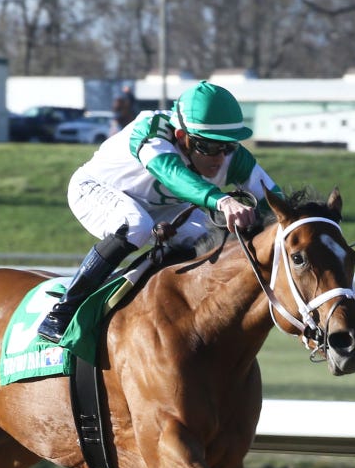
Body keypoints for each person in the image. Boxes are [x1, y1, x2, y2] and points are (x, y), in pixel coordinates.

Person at [38, 80, 280, 344]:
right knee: (136, 225)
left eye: (228, 145)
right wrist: (222, 201)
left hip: (160, 206)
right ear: (181, 136)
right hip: (94, 189)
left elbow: (276, 200)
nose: (220, 157)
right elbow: (172, 175)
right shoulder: (152, 131)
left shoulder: (227, 155)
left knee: (209, 240)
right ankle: (63, 311)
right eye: (209, 147)